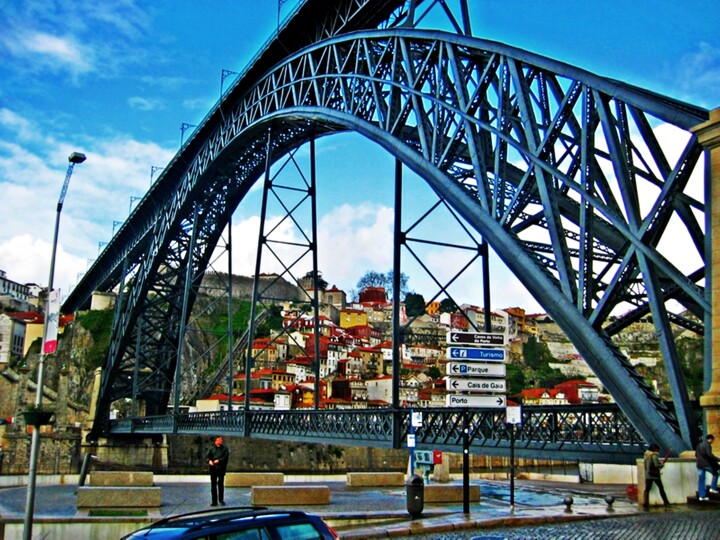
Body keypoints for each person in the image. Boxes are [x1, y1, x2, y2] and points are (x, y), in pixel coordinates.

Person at [643, 443, 669, 508]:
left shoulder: (646, 455)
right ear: (655, 449)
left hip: (648, 475)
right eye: (658, 450)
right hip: (655, 475)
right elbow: (656, 465)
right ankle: (666, 502)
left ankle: (645, 503)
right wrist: (661, 465)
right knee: (661, 488)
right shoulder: (654, 455)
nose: (658, 451)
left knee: (647, 489)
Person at [206, 436, 230, 506]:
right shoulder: (211, 449)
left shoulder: (225, 449)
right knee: (213, 485)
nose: (221, 441)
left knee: (220, 484)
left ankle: (221, 499)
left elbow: (225, 458)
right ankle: (214, 501)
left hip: (221, 468)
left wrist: (219, 461)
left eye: (221, 439)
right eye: (219, 440)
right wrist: (209, 461)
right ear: (215, 441)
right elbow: (207, 457)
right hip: (213, 468)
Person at [696, 433, 720, 501]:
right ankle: (712, 488)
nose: (712, 442)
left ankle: (702, 496)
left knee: (701, 480)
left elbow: (696, 454)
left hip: (699, 465)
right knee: (716, 474)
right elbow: (710, 455)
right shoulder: (708, 445)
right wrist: (718, 459)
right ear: (710, 439)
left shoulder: (699, 445)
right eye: (712, 440)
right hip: (707, 464)